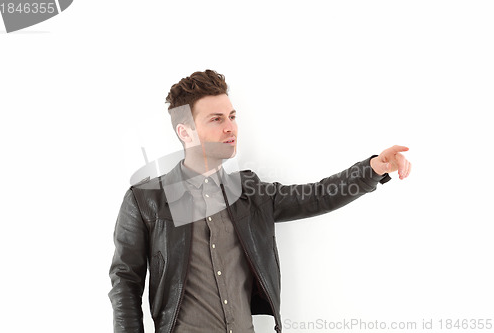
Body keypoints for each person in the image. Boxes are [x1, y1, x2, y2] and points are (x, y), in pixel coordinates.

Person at [108, 70, 412, 333]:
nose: (230, 127)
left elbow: (317, 196)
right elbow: (126, 281)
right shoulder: (145, 200)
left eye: (232, 116)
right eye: (216, 119)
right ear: (185, 132)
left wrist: (372, 169)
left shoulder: (249, 193)